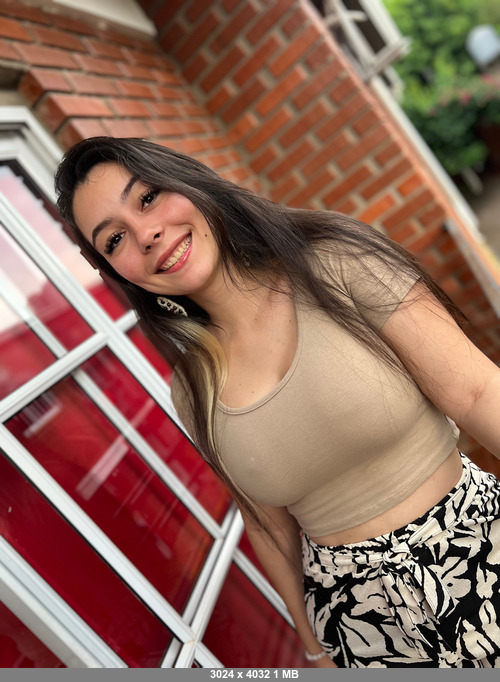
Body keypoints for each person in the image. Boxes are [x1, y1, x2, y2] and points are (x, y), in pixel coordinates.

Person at [54, 136, 500, 668]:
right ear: (115, 271)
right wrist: (315, 650)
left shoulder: (336, 261)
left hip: (478, 544)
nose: (146, 234)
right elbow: (267, 525)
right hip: (361, 628)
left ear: (187, 181)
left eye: (148, 198)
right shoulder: (192, 387)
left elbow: (477, 392)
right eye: (114, 239)